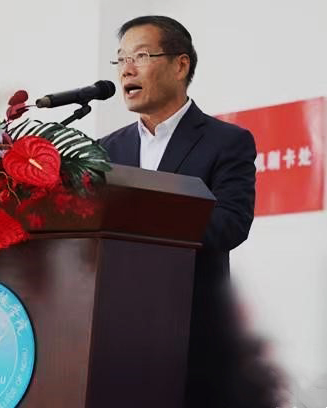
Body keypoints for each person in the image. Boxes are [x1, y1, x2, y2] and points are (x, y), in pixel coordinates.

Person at [99, 15, 265, 407]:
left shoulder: (226, 142)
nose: (127, 69)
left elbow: (230, 224)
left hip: (192, 337)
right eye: (121, 59)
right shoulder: (104, 150)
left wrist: (143, 213)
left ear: (180, 65)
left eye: (141, 56)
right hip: (115, 337)